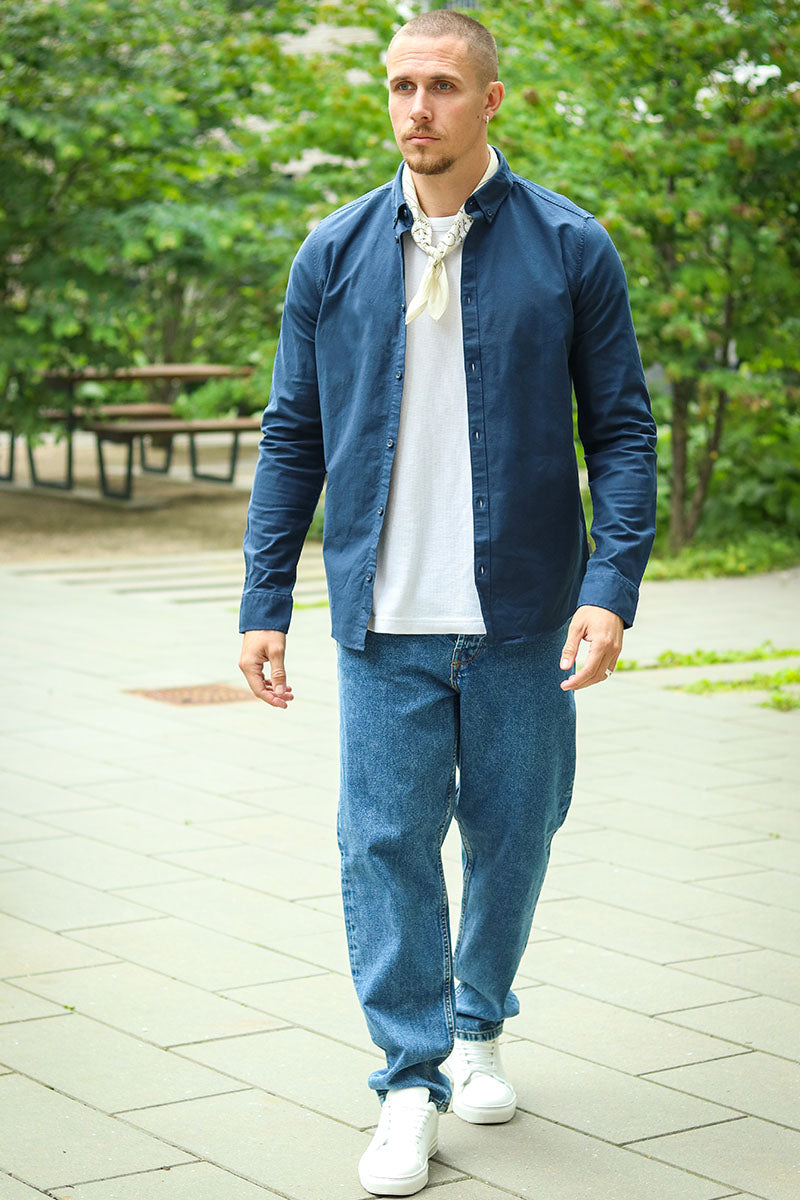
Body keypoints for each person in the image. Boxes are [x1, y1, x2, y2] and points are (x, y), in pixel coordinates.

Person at [239, 10, 656, 1196]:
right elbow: (292, 433)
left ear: (490, 100)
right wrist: (263, 597)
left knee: (516, 834)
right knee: (383, 846)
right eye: (398, 86)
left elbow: (621, 431)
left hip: (522, 616)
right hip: (381, 620)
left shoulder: (569, 246)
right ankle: (407, 1080)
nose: (414, 108)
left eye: (440, 86)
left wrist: (609, 586)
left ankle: (478, 1023)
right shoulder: (331, 251)